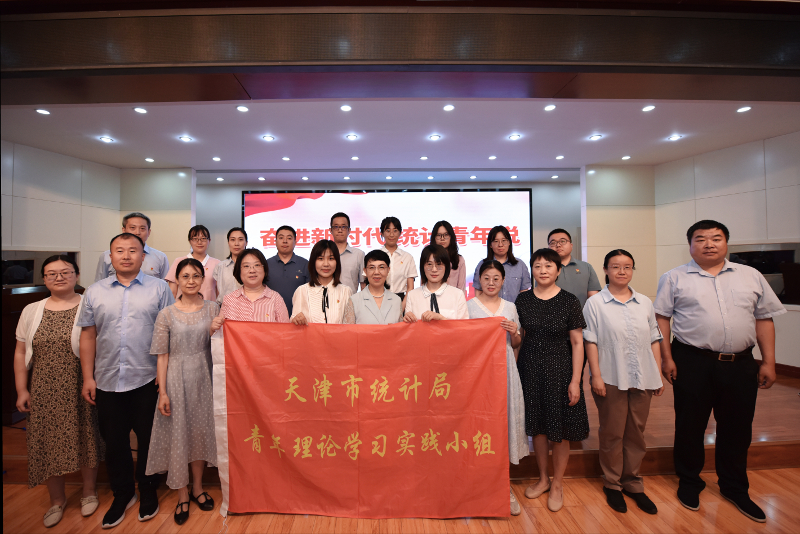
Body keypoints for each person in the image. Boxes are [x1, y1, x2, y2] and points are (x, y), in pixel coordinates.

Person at [654, 220, 785, 522]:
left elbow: (764, 318)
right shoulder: (674, 278)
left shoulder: (750, 276)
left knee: (737, 428)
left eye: (716, 238)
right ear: (690, 245)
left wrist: (768, 361)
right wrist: (666, 358)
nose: (709, 244)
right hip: (692, 361)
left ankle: (735, 487)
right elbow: (661, 319)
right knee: (690, 425)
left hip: (741, 364)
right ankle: (690, 482)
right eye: (701, 239)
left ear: (726, 242)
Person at [78, 233, 175, 529]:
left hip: (147, 378)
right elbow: (88, 335)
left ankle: (148, 489)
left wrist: (165, 379)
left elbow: (169, 333)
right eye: (119, 251)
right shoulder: (94, 291)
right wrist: (88, 377)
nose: (126, 255)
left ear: (143, 256)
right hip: (107, 379)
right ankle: (122, 494)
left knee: (148, 439)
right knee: (114, 441)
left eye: (133, 250)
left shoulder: (159, 288)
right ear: (110, 257)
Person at [13, 255, 104, 528]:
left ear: (77, 275)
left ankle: (89, 492)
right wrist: (21, 389)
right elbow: (20, 352)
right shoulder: (31, 310)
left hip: (82, 383)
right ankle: (57, 500)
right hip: (43, 387)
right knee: (47, 441)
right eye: (51, 273)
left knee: (87, 435)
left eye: (65, 272)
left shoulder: (90, 305)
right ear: (44, 279)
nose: (59, 277)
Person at [583, 249, 664, 515]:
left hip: (643, 376)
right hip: (610, 376)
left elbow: (654, 339)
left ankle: (633, 482)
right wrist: (596, 375)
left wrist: (657, 373)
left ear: (632, 270)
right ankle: (612, 484)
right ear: (605, 270)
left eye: (627, 267)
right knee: (612, 432)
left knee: (636, 432)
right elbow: (590, 341)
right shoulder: (595, 304)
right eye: (615, 266)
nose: (621, 271)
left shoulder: (644, 302)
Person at [146, 258, 218, 525]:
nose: (191, 281)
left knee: (199, 433)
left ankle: (198, 487)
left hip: (204, 377)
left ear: (203, 279)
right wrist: (163, 392)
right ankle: (182, 494)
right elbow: (162, 356)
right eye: (185, 276)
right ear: (177, 280)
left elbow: (220, 345)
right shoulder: (166, 314)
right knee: (179, 435)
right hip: (176, 379)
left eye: (196, 276)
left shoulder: (213, 308)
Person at [516, 248, 588, 512]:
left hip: (560, 370)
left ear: (558, 270)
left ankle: (557, 483)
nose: (543, 270)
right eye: (537, 266)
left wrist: (575, 380)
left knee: (560, 430)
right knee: (537, 427)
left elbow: (578, 343)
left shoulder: (569, 301)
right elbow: (518, 339)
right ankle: (543, 479)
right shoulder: (523, 300)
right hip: (530, 370)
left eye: (548, 266)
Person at [466, 259, 528, 516]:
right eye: (486, 278)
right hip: (477, 374)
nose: (491, 283)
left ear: (503, 281)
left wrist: (514, 332)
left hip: (505, 371)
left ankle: (504, 486)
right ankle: (476, 485)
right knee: (477, 427)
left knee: (503, 426)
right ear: (479, 280)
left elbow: (517, 343)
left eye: (496, 279)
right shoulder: (468, 307)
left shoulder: (510, 307)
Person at [211, 248, 290, 333]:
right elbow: (220, 335)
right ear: (239, 271)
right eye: (246, 266)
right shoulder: (229, 300)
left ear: (264, 269)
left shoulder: (276, 299)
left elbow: (285, 333)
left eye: (257, 265)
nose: (252, 270)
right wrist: (213, 329)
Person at [290, 240, 353, 325]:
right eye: (320, 259)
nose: (326, 264)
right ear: (313, 262)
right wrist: (296, 320)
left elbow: (350, 327)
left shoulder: (346, 291)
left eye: (331, 258)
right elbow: (294, 323)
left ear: (337, 262)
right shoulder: (302, 291)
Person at [95, 212, 169, 282]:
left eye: (142, 228)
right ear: (124, 230)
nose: (137, 232)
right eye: (132, 228)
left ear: (149, 232)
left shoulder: (160, 257)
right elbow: (99, 284)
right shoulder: (107, 256)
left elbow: (165, 286)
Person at [404, 244, 468, 322]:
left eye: (439, 264)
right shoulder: (412, 295)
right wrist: (407, 321)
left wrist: (441, 318)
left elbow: (463, 327)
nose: (434, 269)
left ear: (446, 267)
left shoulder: (458, 295)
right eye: (429, 264)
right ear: (423, 267)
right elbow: (410, 328)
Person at [473, 226, 531, 301]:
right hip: (489, 308)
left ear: (509, 242)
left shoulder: (520, 265)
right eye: (496, 241)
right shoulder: (482, 265)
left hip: (515, 308)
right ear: (490, 245)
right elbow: (478, 292)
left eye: (504, 240)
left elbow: (524, 293)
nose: (500, 244)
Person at [344, 250, 402, 325]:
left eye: (381, 267)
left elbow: (400, 330)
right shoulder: (354, 300)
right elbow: (348, 331)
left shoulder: (396, 300)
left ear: (388, 270)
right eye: (372, 267)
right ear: (365, 271)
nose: (376, 272)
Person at [548, 228, 601, 309]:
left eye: (563, 241)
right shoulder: (544, 270)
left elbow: (594, 298)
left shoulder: (586, 267)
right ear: (548, 247)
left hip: (582, 315)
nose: (558, 245)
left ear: (571, 245)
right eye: (553, 242)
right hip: (552, 315)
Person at [165, 225, 220, 302]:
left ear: (209, 241)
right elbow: (172, 293)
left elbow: (219, 294)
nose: (199, 242)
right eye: (195, 239)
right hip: (183, 308)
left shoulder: (217, 264)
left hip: (209, 308)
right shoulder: (179, 262)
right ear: (189, 241)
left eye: (203, 238)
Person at [266, 225, 309, 316]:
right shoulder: (266, 264)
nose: (285, 241)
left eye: (289, 238)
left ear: (295, 242)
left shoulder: (305, 264)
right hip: (270, 316)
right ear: (275, 242)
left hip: (298, 317)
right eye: (281, 238)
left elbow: (310, 293)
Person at [379, 216, 417, 307]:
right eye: (388, 231)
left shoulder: (407, 257)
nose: (391, 235)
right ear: (382, 233)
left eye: (395, 230)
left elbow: (410, 288)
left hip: (401, 300)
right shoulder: (375, 256)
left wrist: (401, 308)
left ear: (400, 233)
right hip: (378, 300)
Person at [331, 212, 365, 294]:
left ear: (349, 230)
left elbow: (363, 284)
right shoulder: (323, 254)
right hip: (328, 300)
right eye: (336, 227)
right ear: (330, 230)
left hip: (351, 300)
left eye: (343, 227)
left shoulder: (359, 254)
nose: (340, 230)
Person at [212, 227, 248, 306]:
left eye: (240, 239)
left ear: (246, 243)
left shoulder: (252, 267)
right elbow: (218, 293)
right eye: (232, 240)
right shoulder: (220, 267)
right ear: (228, 242)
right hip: (224, 308)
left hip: (246, 308)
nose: (236, 243)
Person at [430, 220, 466, 294]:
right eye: (439, 235)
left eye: (446, 235)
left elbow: (461, 288)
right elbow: (424, 284)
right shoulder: (429, 258)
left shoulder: (459, 260)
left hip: (453, 299)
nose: (442, 238)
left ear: (451, 237)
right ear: (434, 237)